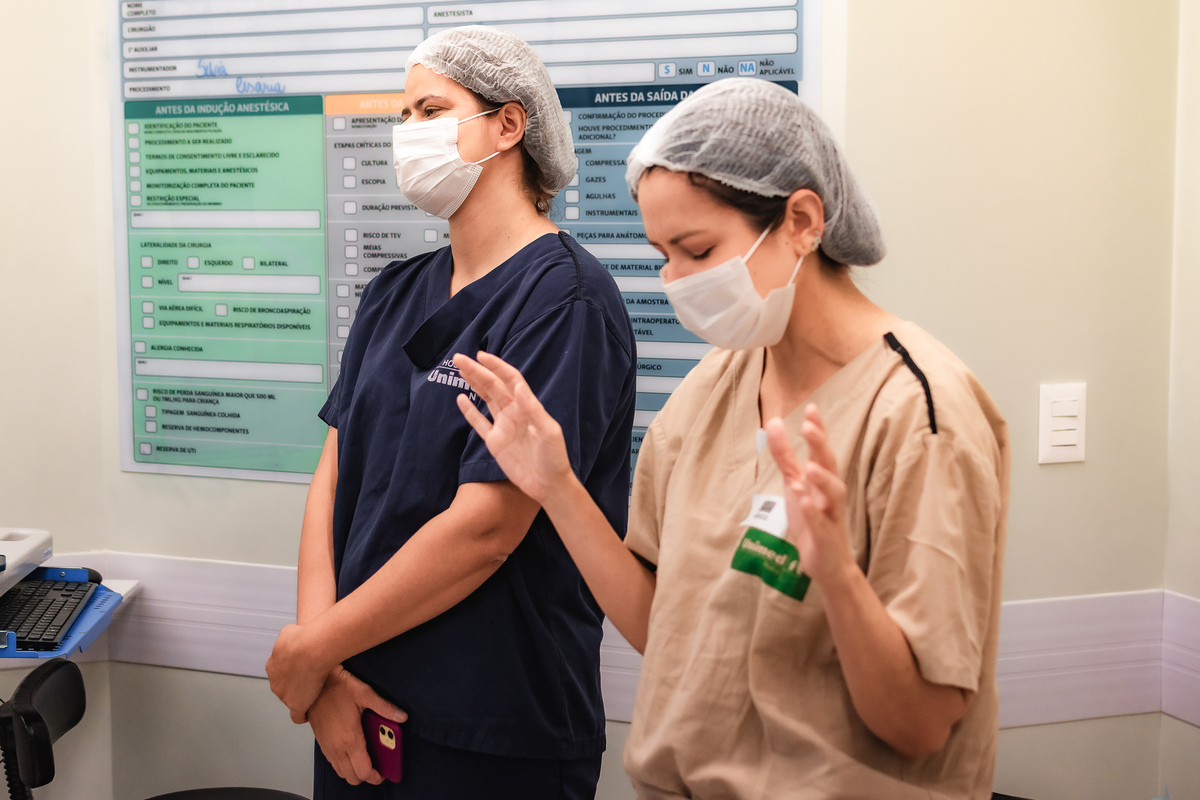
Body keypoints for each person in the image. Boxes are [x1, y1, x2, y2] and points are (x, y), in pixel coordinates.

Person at [454, 78, 1010, 799]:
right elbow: (669, 631)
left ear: (803, 220)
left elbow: (920, 726)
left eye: (696, 248)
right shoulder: (712, 392)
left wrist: (836, 573)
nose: (674, 281)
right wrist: (556, 486)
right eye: (663, 254)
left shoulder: (920, 413)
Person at [265, 26, 637, 800]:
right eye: (403, 116)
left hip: (493, 727)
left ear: (509, 125)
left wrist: (308, 653)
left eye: (430, 110)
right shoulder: (395, 291)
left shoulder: (562, 300)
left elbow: (486, 530)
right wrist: (321, 665)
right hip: (355, 705)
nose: (407, 136)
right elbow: (332, 480)